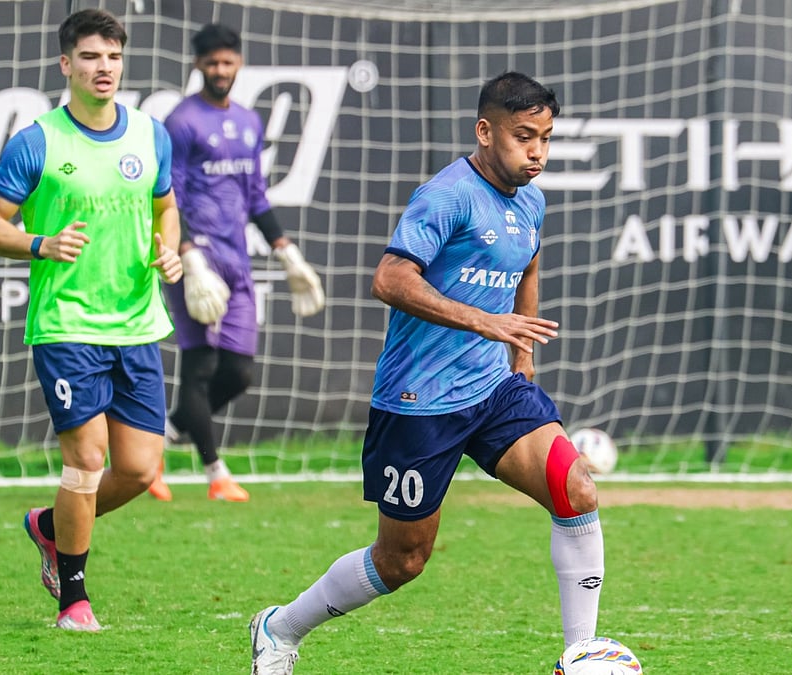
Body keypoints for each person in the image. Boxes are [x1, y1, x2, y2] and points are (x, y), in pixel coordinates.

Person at [249, 71, 604, 673]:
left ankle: (581, 655)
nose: (537, 152)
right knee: (402, 561)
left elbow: (527, 266)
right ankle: (279, 628)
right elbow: (389, 279)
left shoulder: (532, 201)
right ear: (485, 131)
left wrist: (522, 359)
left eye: (545, 138)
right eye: (524, 137)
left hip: (494, 390)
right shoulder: (446, 196)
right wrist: (485, 322)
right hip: (420, 400)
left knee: (575, 489)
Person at [0, 8, 183, 632]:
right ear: (67, 65)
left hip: (137, 324)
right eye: (90, 57)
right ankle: (74, 599)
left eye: (113, 57)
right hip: (66, 326)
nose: (103, 67)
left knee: (139, 470)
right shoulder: (37, 141)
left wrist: (169, 249)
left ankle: (47, 526)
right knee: (86, 462)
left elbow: (166, 208)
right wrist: (40, 243)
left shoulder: (150, 135)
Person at [146, 22, 326, 503]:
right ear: (198, 65)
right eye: (212, 63)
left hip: (236, 260)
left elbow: (255, 196)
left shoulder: (248, 121)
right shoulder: (182, 122)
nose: (220, 70)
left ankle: (161, 438)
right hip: (195, 261)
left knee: (239, 373)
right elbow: (166, 198)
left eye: (227, 62)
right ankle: (216, 474)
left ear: (238, 63)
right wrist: (187, 256)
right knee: (200, 366)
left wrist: (285, 250)